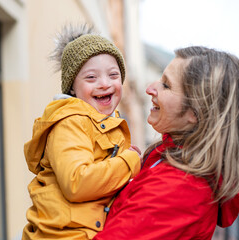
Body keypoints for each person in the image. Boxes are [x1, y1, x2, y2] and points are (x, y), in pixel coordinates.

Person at [94, 46, 239, 240]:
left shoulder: (179, 188)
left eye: (166, 85)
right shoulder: (170, 160)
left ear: (195, 113)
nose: (150, 88)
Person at [22, 24, 141, 240]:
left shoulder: (107, 122)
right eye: (91, 78)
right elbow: (77, 183)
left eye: (113, 75)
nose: (104, 84)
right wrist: (129, 162)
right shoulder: (70, 122)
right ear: (72, 89)